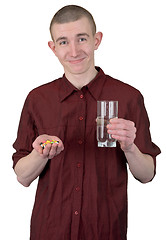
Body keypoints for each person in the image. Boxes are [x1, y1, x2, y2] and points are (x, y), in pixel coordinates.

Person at [12, 5, 161, 240]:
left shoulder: (129, 97)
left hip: (106, 231)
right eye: (63, 42)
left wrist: (130, 148)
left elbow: (146, 174)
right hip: (49, 231)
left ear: (96, 40)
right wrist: (39, 154)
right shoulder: (37, 99)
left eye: (81, 38)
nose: (73, 51)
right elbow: (22, 176)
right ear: (53, 47)